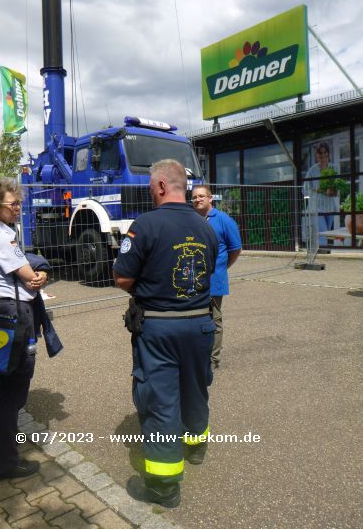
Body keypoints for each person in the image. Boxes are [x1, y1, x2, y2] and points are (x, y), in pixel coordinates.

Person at [113, 159, 218, 508]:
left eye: (149, 186)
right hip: (201, 323)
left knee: (160, 401)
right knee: (195, 386)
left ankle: (162, 487)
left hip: (159, 327)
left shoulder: (144, 226)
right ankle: (195, 446)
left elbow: (122, 278)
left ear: (160, 186)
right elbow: (212, 269)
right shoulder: (206, 228)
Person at [0, 178, 48, 481]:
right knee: (13, 390)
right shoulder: (4, 237)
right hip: (14, 312)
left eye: (19, 202)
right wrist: (40, 274)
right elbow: (29, 277)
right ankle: (5, 463)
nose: (19, 208)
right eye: (12, 204)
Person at [192, 184, 242, 369]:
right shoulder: (192, 220)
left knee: (213, 319)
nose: (198, 199)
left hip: (214, 280)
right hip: (193, 280)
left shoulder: (223, 220)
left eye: (201, 196)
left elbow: (235, 249)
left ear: (211, 198)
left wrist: (222, 267)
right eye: (195, 197)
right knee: (194, 318)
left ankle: (212, 360)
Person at [304, 142, 339, 247]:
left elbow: (337, 188)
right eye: (320, 153)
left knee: (326, 233)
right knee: (323, 234)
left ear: (328, 154)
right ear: (316, 155)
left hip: (330, 206)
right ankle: (324, 255)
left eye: (324, 153)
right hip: (317, 206)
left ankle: (323, 253)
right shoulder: (312, 170)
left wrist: (333, 191)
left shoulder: (334, 168)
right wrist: (320, 190)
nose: (322, 156)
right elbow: (305, 189)